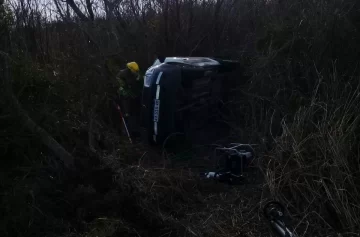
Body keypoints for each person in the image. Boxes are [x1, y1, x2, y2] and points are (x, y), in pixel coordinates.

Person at [114, 62, 142, 137]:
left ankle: (134, 131)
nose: (136, 72)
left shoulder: (133, 74)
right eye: (135, 71)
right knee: (126, 115)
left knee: (133, 114)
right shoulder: (122, 75)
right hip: (124, 99)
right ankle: (125, 133)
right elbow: (122, 89)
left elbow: (136, 84)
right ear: (130, 69)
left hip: (132, 99)